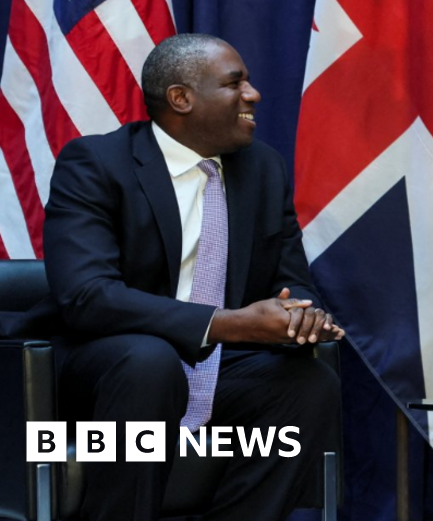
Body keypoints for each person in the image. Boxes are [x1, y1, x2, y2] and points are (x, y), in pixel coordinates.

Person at [43, 33, 344, 521]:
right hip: (102, 379)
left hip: (211, 373)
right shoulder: (97, 164)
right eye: (235, 83)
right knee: (149, 361)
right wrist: (230, 324)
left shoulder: (262, 167)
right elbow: (87, 297)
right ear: (181, 98)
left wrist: (300, 317)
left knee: (308, 383)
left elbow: (292, 279)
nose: (253, 95)